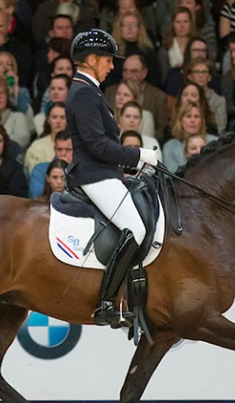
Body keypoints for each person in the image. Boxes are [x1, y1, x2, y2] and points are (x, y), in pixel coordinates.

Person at [65, 29, 158, 327]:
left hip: (104, 172)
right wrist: (139, 155)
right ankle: (105, 303)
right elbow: (97, 145)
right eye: (107, 60)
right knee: (136, 228)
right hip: (94, 175)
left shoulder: (89, 90)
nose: (112, 66)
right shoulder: (83, 93)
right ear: (91, 60)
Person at [163, 101, 215, 172]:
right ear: (180, 121)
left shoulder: (214, 142)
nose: (192, 120)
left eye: (196, 116)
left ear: (202, 120)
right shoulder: (170, 146)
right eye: (188, 116)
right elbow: (169, 175)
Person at [24, 101, 66, 177]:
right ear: (48, 120)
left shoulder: (77, 145)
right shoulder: (36, 147)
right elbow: (33, 175)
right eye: (54, 117)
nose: (58, 121)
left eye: (62, 117)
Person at [157, 7, 197, 85]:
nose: (182, 26)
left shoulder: (198, 45)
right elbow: (164, 79)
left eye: (185, 21)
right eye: (178, 22)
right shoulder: (165, 49)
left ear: (191, 24)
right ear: (172, 25)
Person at [29, 129, 72, 198]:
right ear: (54, 149)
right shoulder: (39, 170)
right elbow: (36, 197)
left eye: (68, 150)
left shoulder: (83, 170)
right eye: (59, 149)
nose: (63, 154)